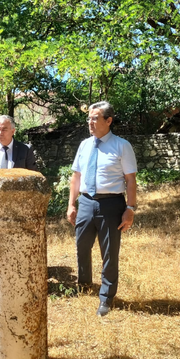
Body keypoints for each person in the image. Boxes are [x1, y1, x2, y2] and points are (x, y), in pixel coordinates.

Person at [66, 101, 138, 317]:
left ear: (108, 121)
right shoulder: (85, 145)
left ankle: (106, 297)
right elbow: (76, 176)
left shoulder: (121, 145)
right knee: (81, 245)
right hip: (86, 202)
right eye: (89, 118)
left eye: (95, 118)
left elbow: (130, 180)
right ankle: (85, 284)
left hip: (111, 204)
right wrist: (71, 204)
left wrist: (130, 208)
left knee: (109, 253)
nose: (90, 122)